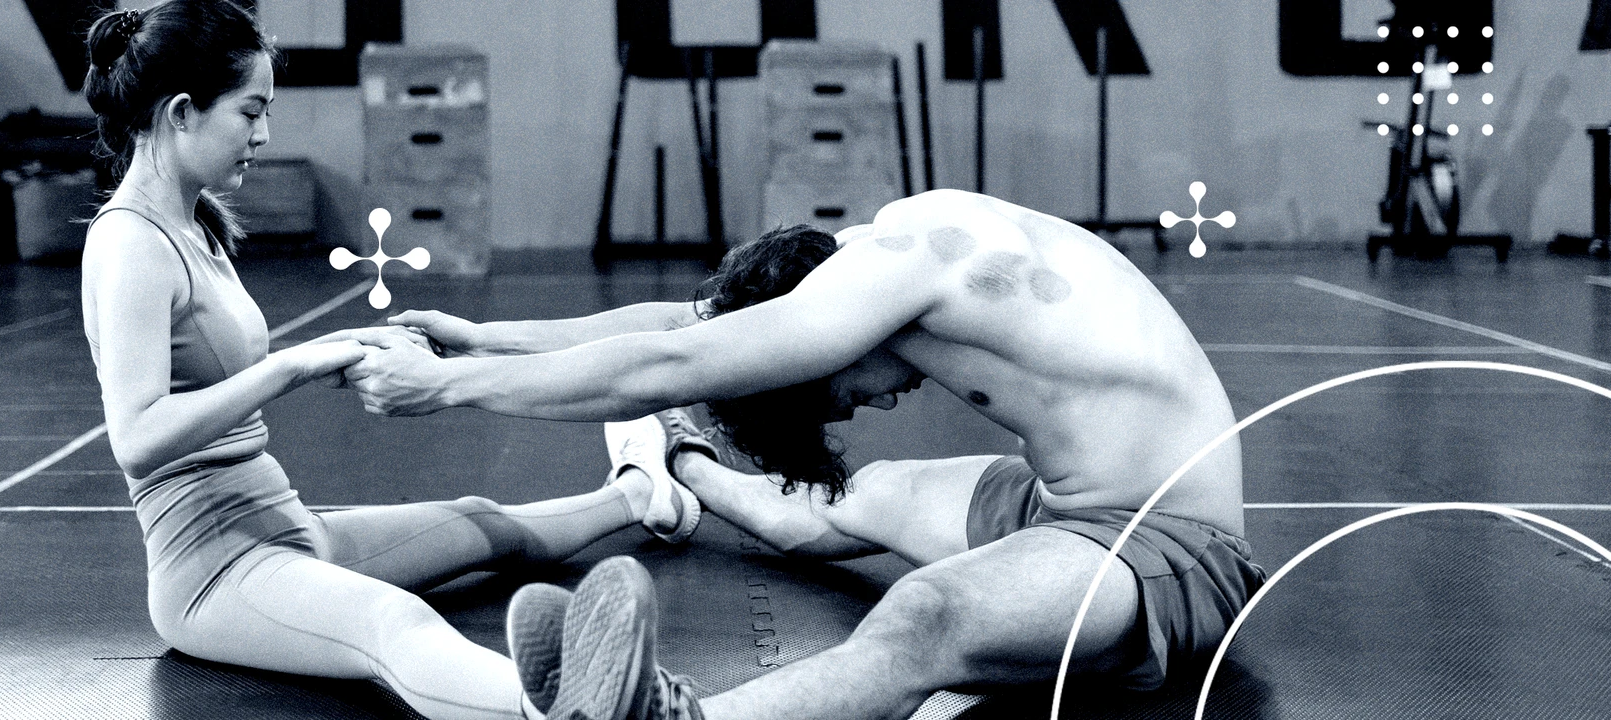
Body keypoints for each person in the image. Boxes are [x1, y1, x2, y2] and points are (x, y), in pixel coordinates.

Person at [350, 189, 1267, 719]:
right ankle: (691, 472)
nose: (874, 398)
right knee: (843, 506)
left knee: (925, 618)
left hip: (1170, 545)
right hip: (1055, 504)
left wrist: (444, 392)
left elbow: (671, 363)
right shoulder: (867, 252)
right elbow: (688, 325)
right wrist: (485, 341)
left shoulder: (905, 268)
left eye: (835, 387)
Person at [75, 3, 698, 718]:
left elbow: (216, 374)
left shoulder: (193, 222)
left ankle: (643, 492)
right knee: (391, 626)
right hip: (215, 568)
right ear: (182, 111)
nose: (264, 133)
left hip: (280, 525)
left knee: (479, 521)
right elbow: (137, 437)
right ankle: (572, 713)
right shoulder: (129, 244)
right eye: (251, 112)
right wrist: (294, 366)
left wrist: (349, 350)